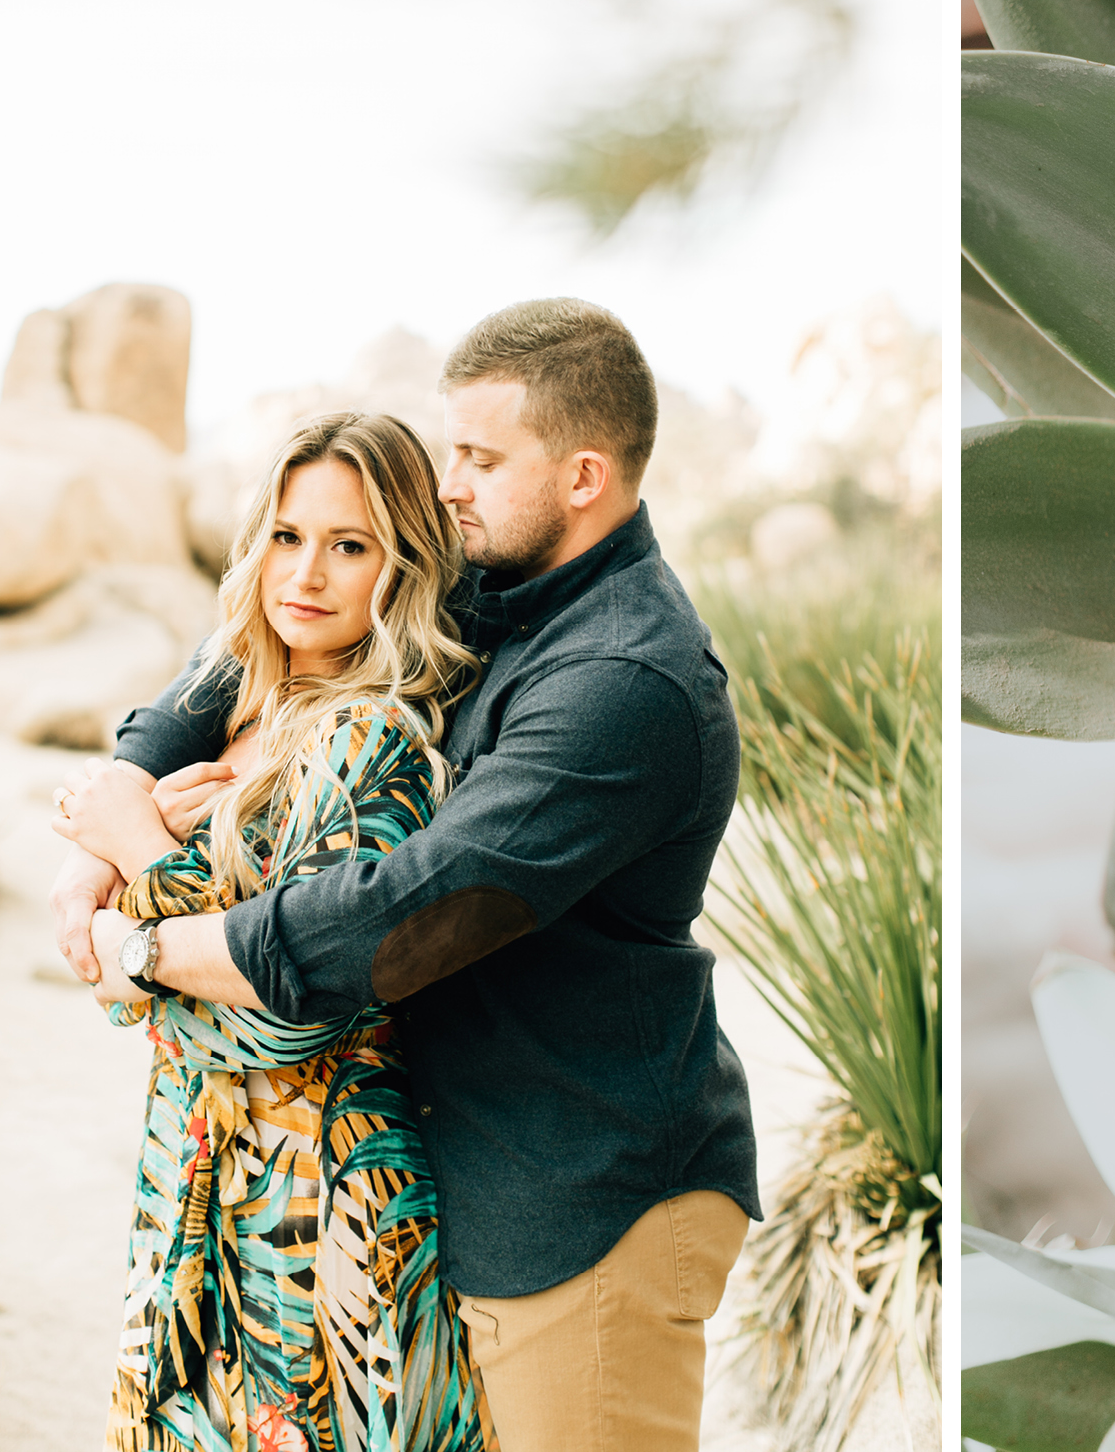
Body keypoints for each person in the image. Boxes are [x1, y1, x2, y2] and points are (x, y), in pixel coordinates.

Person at [51, 298, 760, 1452]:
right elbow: (256, 633)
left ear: (583, 475)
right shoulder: (496, 583)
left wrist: (141, 935)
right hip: (467, 1171)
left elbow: (403, 919)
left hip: (582, 1197)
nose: (451, 486)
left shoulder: (625, 678)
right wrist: (121, 795)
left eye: (478, 458)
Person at [52, 411, 495, 1449]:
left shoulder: (373, 740)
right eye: (287, 535)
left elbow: (294, 1016)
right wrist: (135, 928)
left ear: (403, 567)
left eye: (350, 544)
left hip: (320, 1208)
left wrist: (141, 872)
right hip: (193, 1168)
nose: (307, 571)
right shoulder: (239, 710)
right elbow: (142, 973)